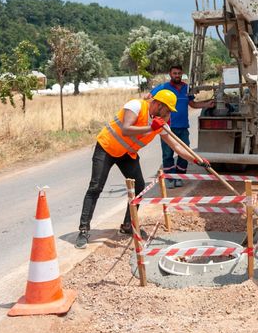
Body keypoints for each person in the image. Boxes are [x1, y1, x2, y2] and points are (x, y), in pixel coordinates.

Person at [75, 89, 209, 249]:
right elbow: (126, 129)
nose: (168, 114)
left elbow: (177, 146)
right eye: (167, 110)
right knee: (96, 187)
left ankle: (127, 226)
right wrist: (151, 127)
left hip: (127, 154)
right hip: (106, 148)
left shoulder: (160, 123)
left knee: (139, 187)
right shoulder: (136, 106)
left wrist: (197, 159)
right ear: (158, 104)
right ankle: (83, 230)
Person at [148, 65, 214, 188]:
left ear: (182, 74)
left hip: (183, 127)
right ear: (170, 74)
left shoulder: (186, 88)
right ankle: (170, 179)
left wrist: (206, 104)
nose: (177, 75)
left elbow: (192, 104)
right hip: (167, 127)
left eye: (179, 73)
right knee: (168, 154)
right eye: (174, 73)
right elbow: (150, 99)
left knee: (184, 152)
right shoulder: (163, 87)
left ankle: (180, 177)